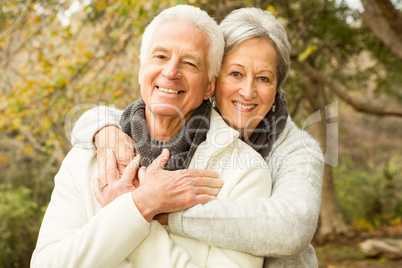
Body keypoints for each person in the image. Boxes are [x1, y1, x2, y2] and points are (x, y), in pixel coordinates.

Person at [72, 7, 324, 267]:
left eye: (263, 78)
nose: (248, 91)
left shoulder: (299, 150)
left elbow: (292, 229)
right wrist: (104, 131)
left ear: (277, 88)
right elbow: (120, 115)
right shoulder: (193, 123)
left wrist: (160, 206)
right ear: (212, 81)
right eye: (235, 74)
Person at [31, 5, 274, 267]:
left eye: (190, 63)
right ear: (141, 69)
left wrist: (133, 208)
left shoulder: (245, 173)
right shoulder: (88, 156)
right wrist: (141, 203)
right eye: (160, 56)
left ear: (209, 86)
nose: (170, 72)